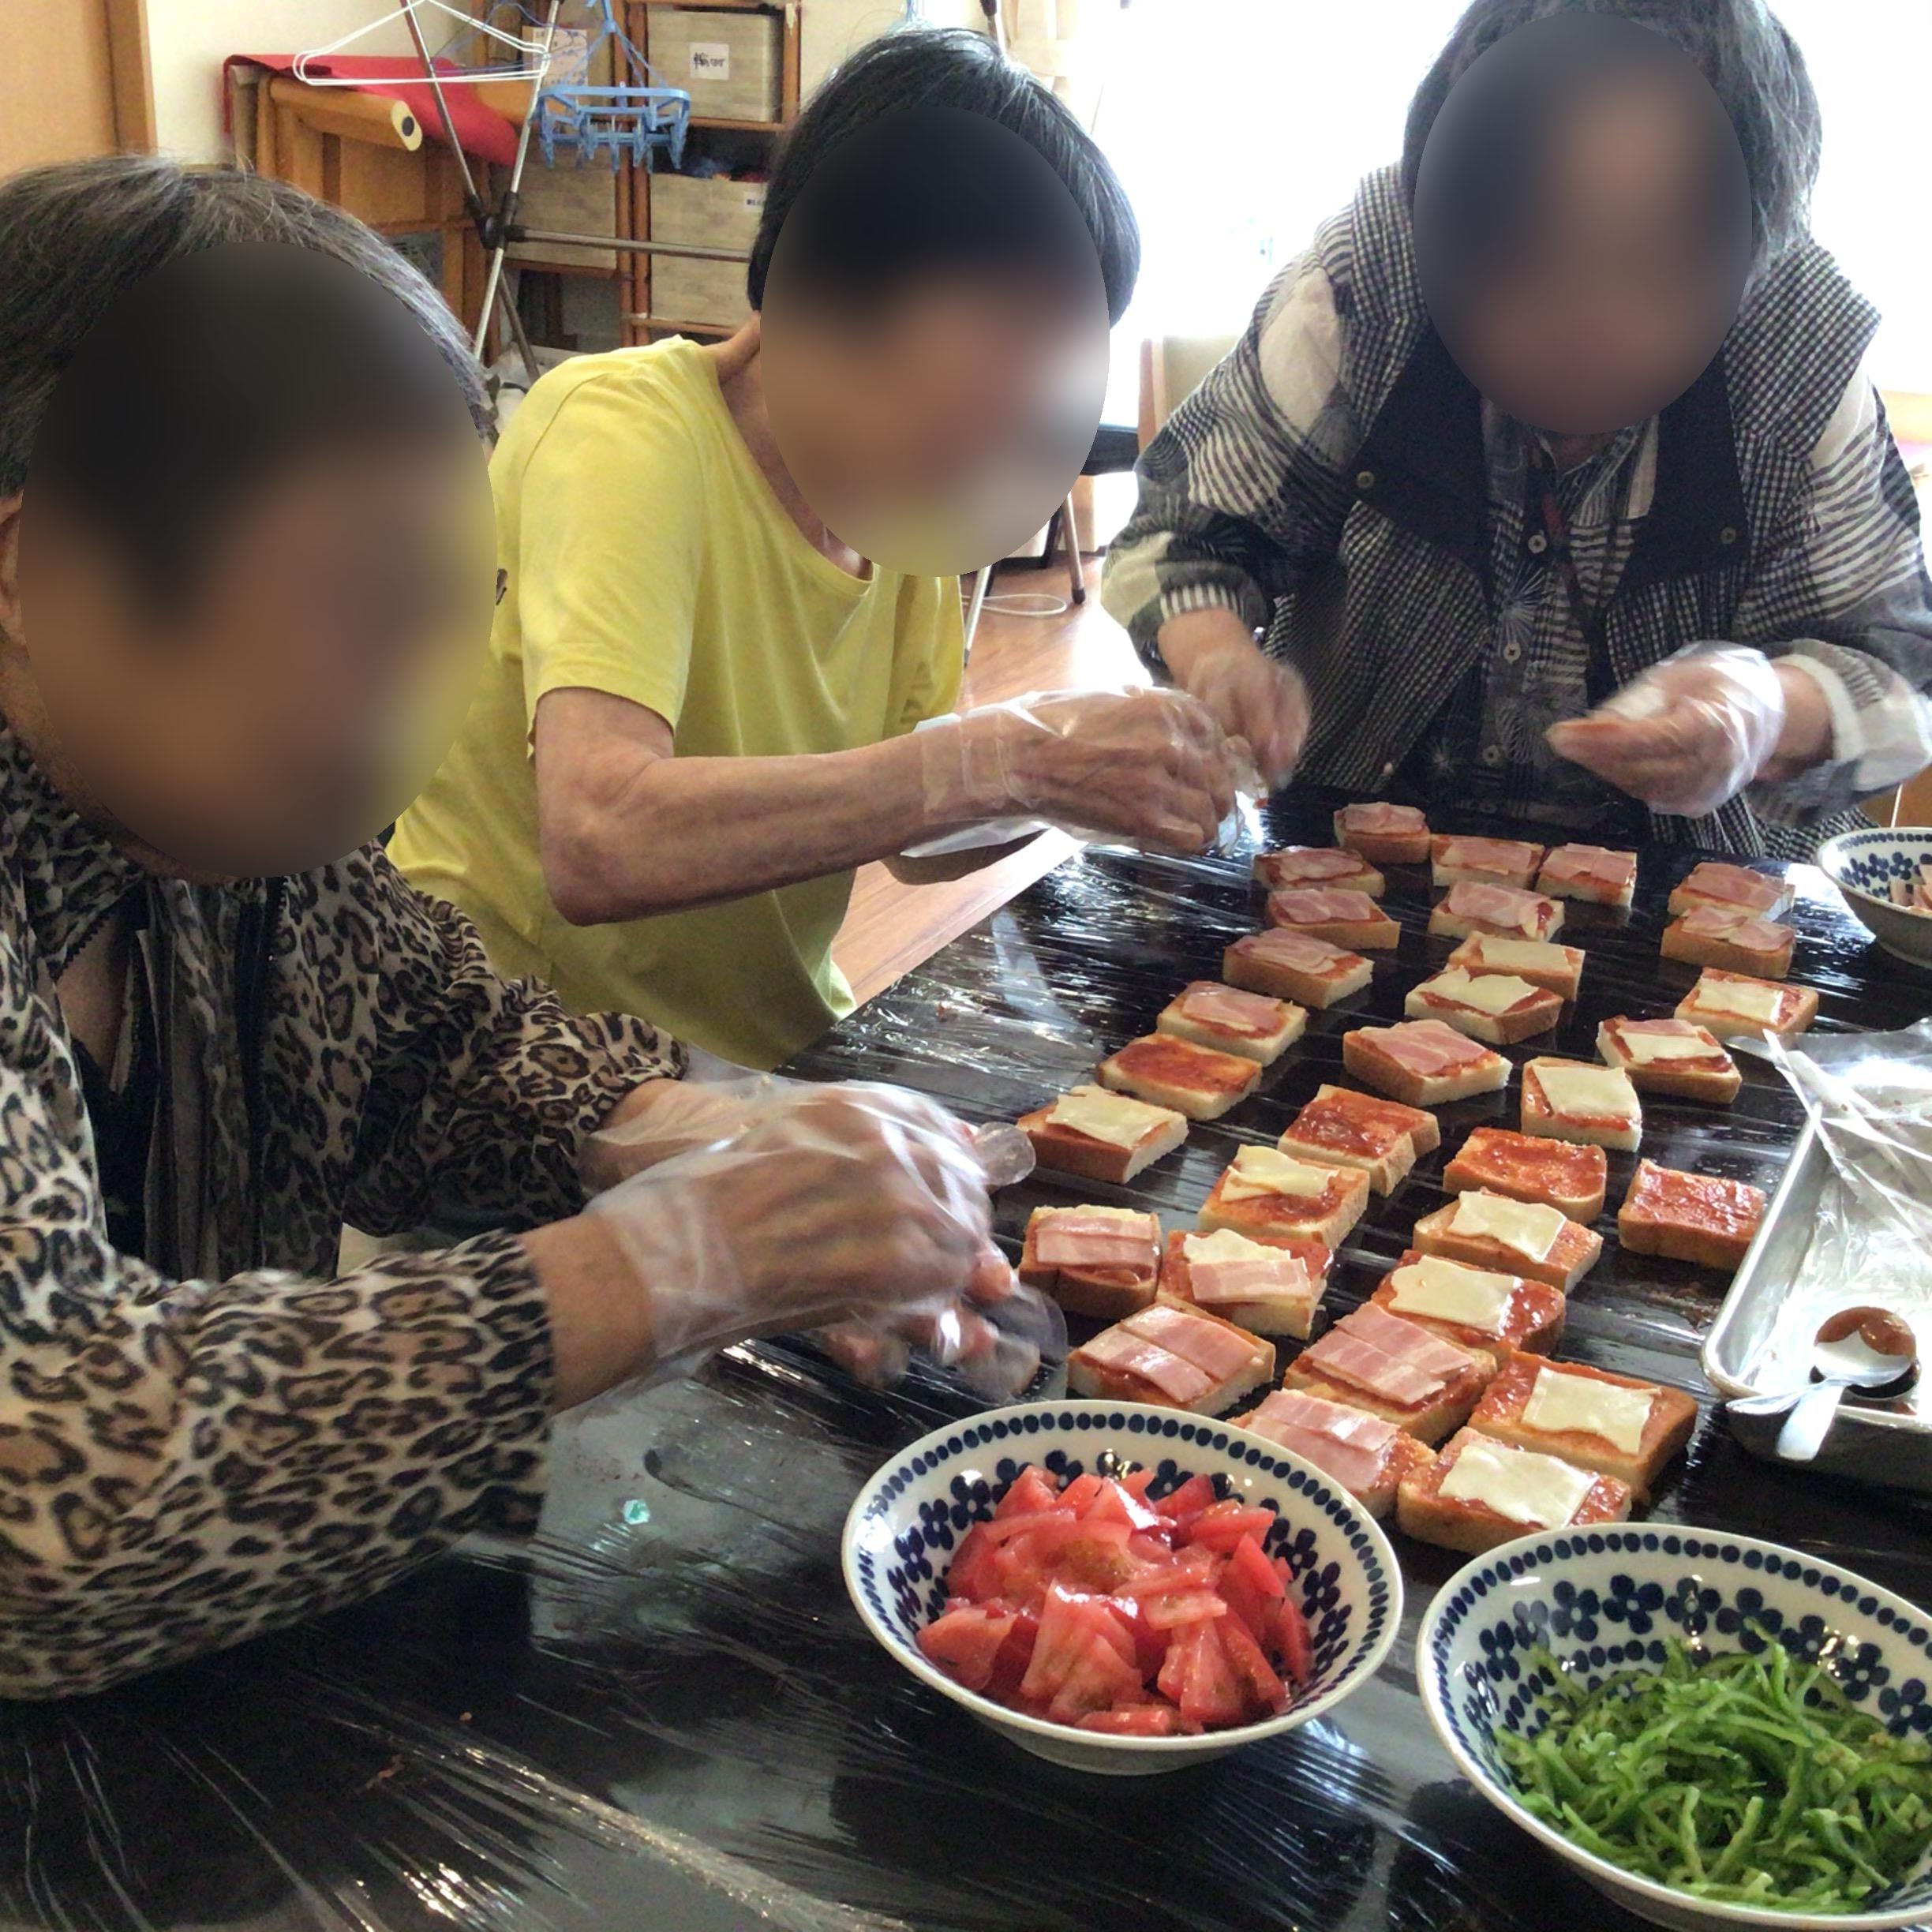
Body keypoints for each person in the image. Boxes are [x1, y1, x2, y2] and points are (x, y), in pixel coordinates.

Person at [0, 156, 1017, 1699]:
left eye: (442, 612)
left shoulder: (226, 814)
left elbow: (427, 1043)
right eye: (347, 607)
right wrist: (675, 1264)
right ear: (42, 573)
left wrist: (698, 1136)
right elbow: (44, 1490)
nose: (403, 705)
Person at [391, 26, 1242, 1071]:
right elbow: (601, 837)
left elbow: (914, 845)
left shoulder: (907, 508)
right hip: (525, 1069)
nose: (1011, 410)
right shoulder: (625, 434)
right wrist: (1005, 758)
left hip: (768, 1058)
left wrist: (1072, 773)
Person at [1105, 0, 1932, 859]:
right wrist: (1219, 659)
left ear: (1750, 245)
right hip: (1351, 838)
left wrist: (1762, 708)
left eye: (1650, 265)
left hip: (1699, 879)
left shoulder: (1799, 344)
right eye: (1525, 254)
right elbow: (1183, 533)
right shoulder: (1372, 274)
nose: (1584, 322)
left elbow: (1901, 684)